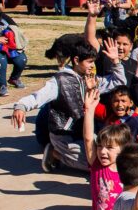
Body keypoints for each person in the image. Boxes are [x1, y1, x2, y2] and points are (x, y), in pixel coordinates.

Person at [11, 38, 126, 173]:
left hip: (86, 131)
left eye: (93, 62)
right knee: (96, 165)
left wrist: (115, 62)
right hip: (65, 135)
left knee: (109, 159)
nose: (92, 66)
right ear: (76, 60)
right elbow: (38, 96)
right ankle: (55, 154)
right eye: (89, 62)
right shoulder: (60, 81)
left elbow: (119, 81)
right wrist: (21, 106)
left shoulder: (90, 78)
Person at [76, 89, 133, 210]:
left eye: (109, 148)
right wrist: (89, 110)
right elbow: (87, 138)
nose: (102, 152)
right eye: (100, 146)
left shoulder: (127, 171)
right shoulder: (97, 166)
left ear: (123, 150)